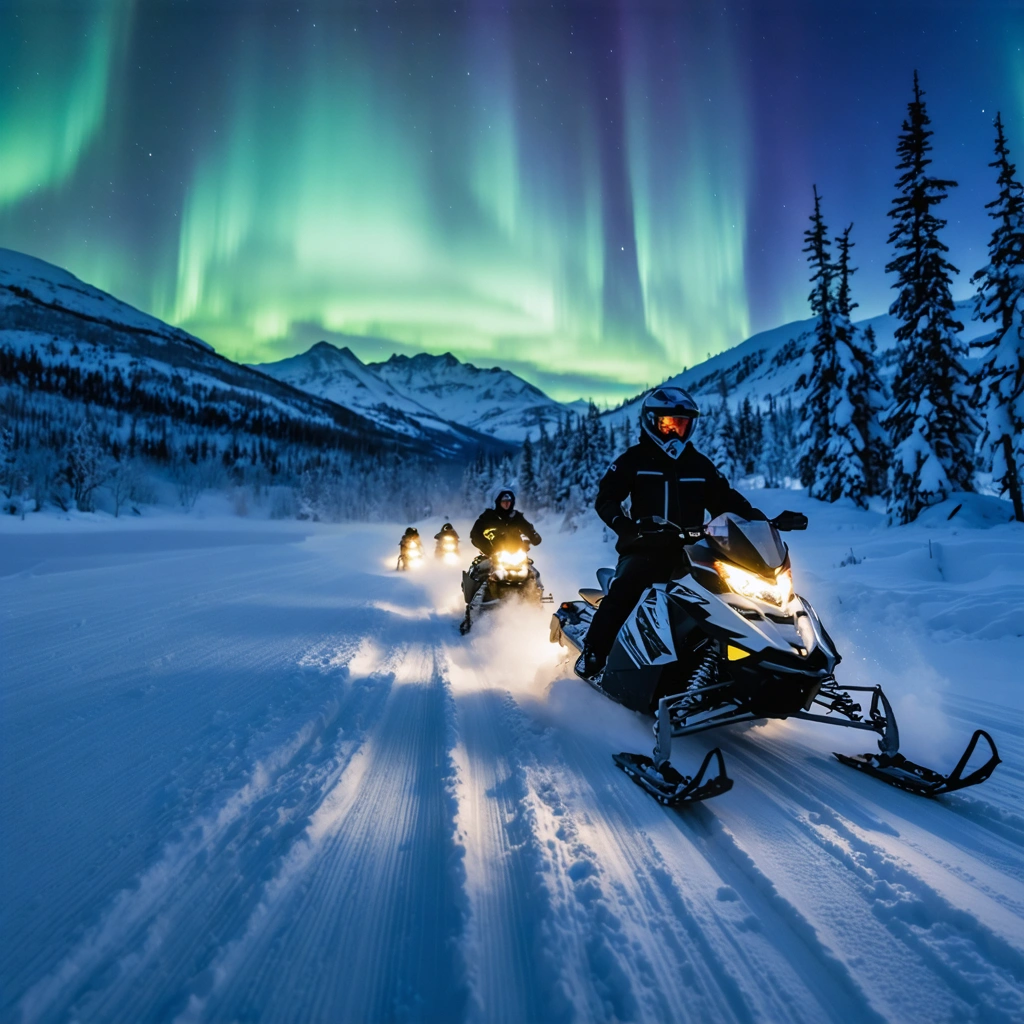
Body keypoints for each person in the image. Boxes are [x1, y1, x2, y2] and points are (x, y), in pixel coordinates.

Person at [578, 386, 767, 679]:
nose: (676, 431)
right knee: (625, 590)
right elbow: (607, 497)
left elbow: (726, 500)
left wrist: (762, 520)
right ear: (652, 422)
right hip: (644, 548)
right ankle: (594, 652)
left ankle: (733, 665)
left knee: (729, 597)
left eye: (682, 424)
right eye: (669, 423)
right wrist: (625, 525)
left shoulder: (699, 465)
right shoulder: (634, 460)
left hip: (691, 551)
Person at [461, 489, 542, 619]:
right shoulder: (488, 517)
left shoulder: (516, 517)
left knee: (534, 574)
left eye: (509, 502)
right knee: (479, 573)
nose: (506, 504)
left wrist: (534, 536)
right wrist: (488, 549)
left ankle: (538, 606)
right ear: (498, 502)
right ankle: (472, 611)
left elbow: (528, 529)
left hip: (517, 555)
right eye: (504, 501)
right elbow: (475, 534)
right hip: (492, 554)